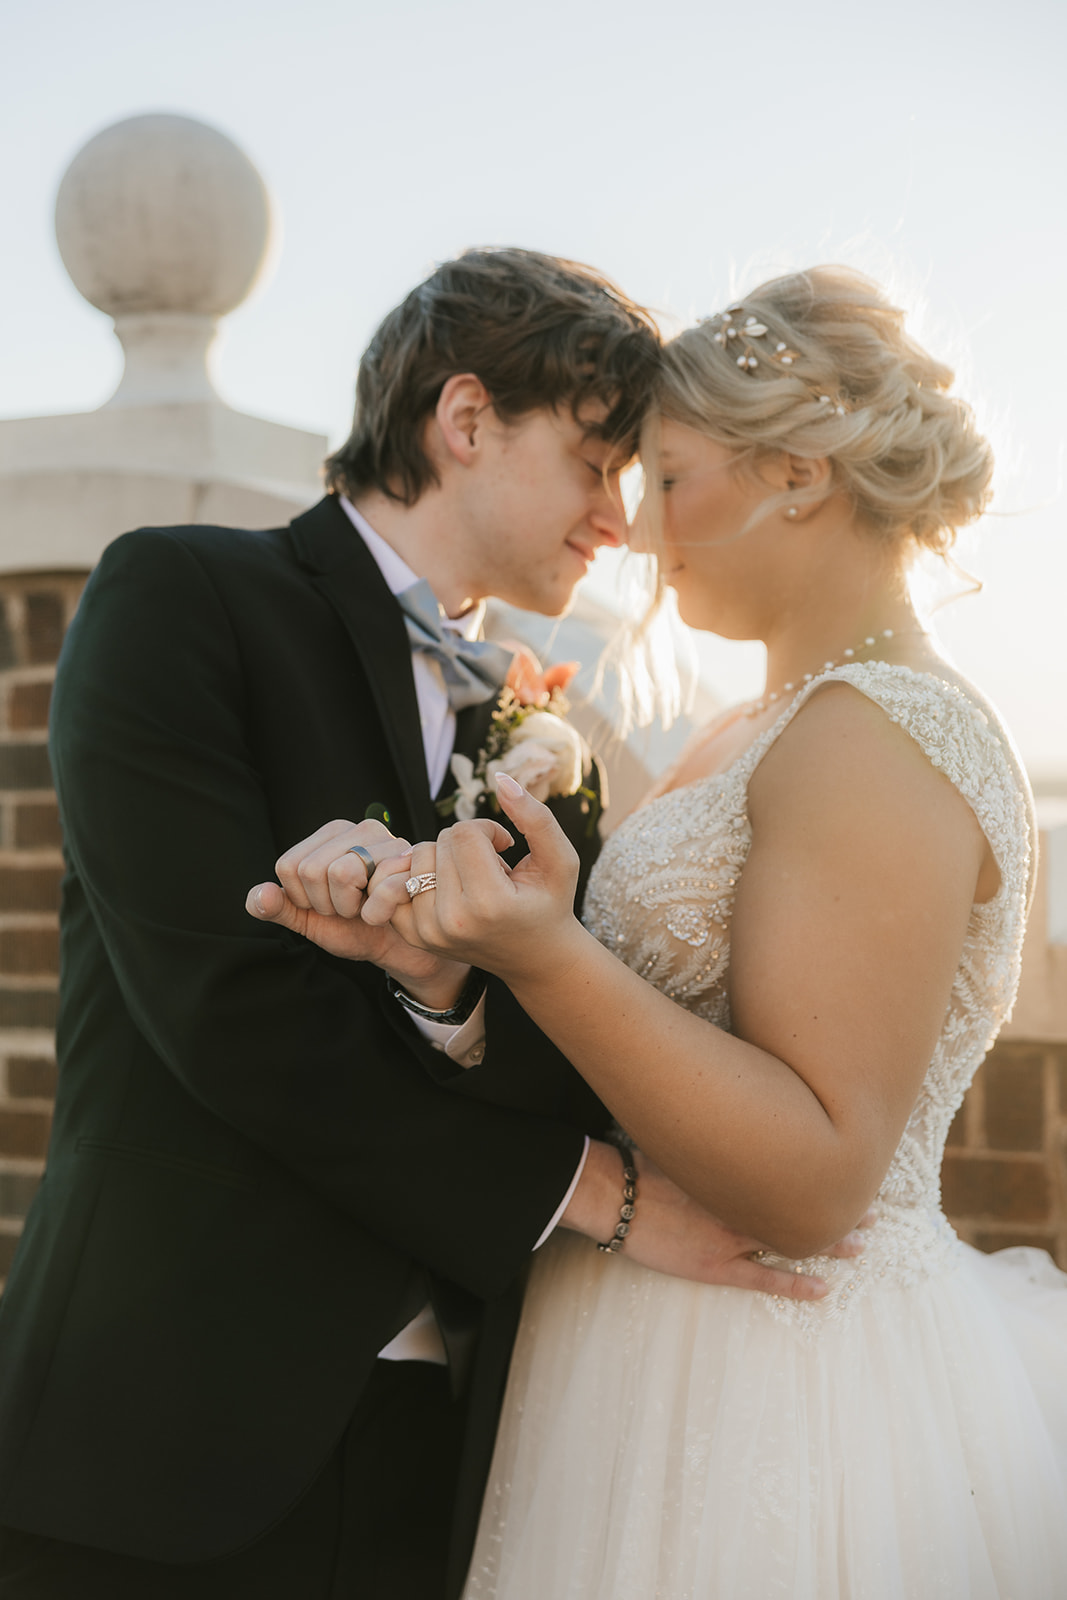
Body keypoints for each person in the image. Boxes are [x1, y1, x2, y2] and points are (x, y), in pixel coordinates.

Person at [0, 249, 845, 1600]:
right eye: (593, 463)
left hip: (444, 1454)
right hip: (157, 1436)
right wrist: (595, 1192)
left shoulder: (549, 748)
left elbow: (558, 1036)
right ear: (464, 421)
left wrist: (455, 1008)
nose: (618, 521)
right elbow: (224, 1009)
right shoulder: (181, 599)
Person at [334, 267, 1067, 1596]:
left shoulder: (882, 732)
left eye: (669, 476)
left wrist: (543, 949)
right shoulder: (751, 729)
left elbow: (815, 1174)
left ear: (797, 474)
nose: (638, 526)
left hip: (772, 1383)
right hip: (634, 1348)